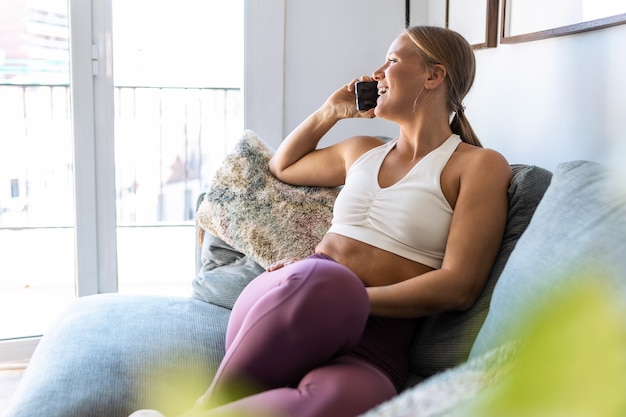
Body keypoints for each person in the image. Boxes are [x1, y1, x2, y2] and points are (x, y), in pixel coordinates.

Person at [130, 25, 512, 417]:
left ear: (434, 75)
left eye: (392, 61)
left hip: (376, 343)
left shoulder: (478, 166)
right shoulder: (361, 150)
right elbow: (284, 166)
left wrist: (351, 302)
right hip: (293, 303)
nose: (377, 73)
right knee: (328, 281)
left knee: (340, 399)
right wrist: (332, 111)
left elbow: (459, 287)